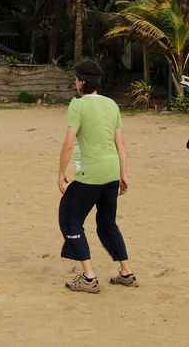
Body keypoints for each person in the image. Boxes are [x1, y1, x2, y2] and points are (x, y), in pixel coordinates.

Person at [57, 60, 136, 293]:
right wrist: (123, 174)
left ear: (81, 82)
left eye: (76, 80)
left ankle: (89, 277)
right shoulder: (112, 104)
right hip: (112, 172)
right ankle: (126, 272)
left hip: (91, 174)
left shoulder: (77, 105)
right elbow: (120, 143)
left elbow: (69, 143)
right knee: (107, 223)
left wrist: (61, 173)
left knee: (70, 218)